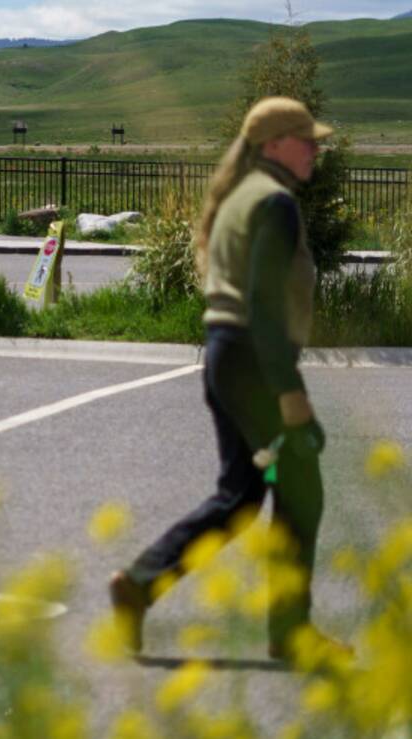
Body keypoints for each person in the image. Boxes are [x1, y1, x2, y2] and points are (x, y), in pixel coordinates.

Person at [108, 97, 349, 662]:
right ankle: (289, 632)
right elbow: (265, 308)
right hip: (252, 358)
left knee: (241, 493)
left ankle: (140, 585)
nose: (315, 147)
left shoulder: (243, 198)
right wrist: (290, 395)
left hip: (226, 356)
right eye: (305, 138)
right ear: (273, 146)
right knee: (300, 492)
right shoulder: (274, 203)